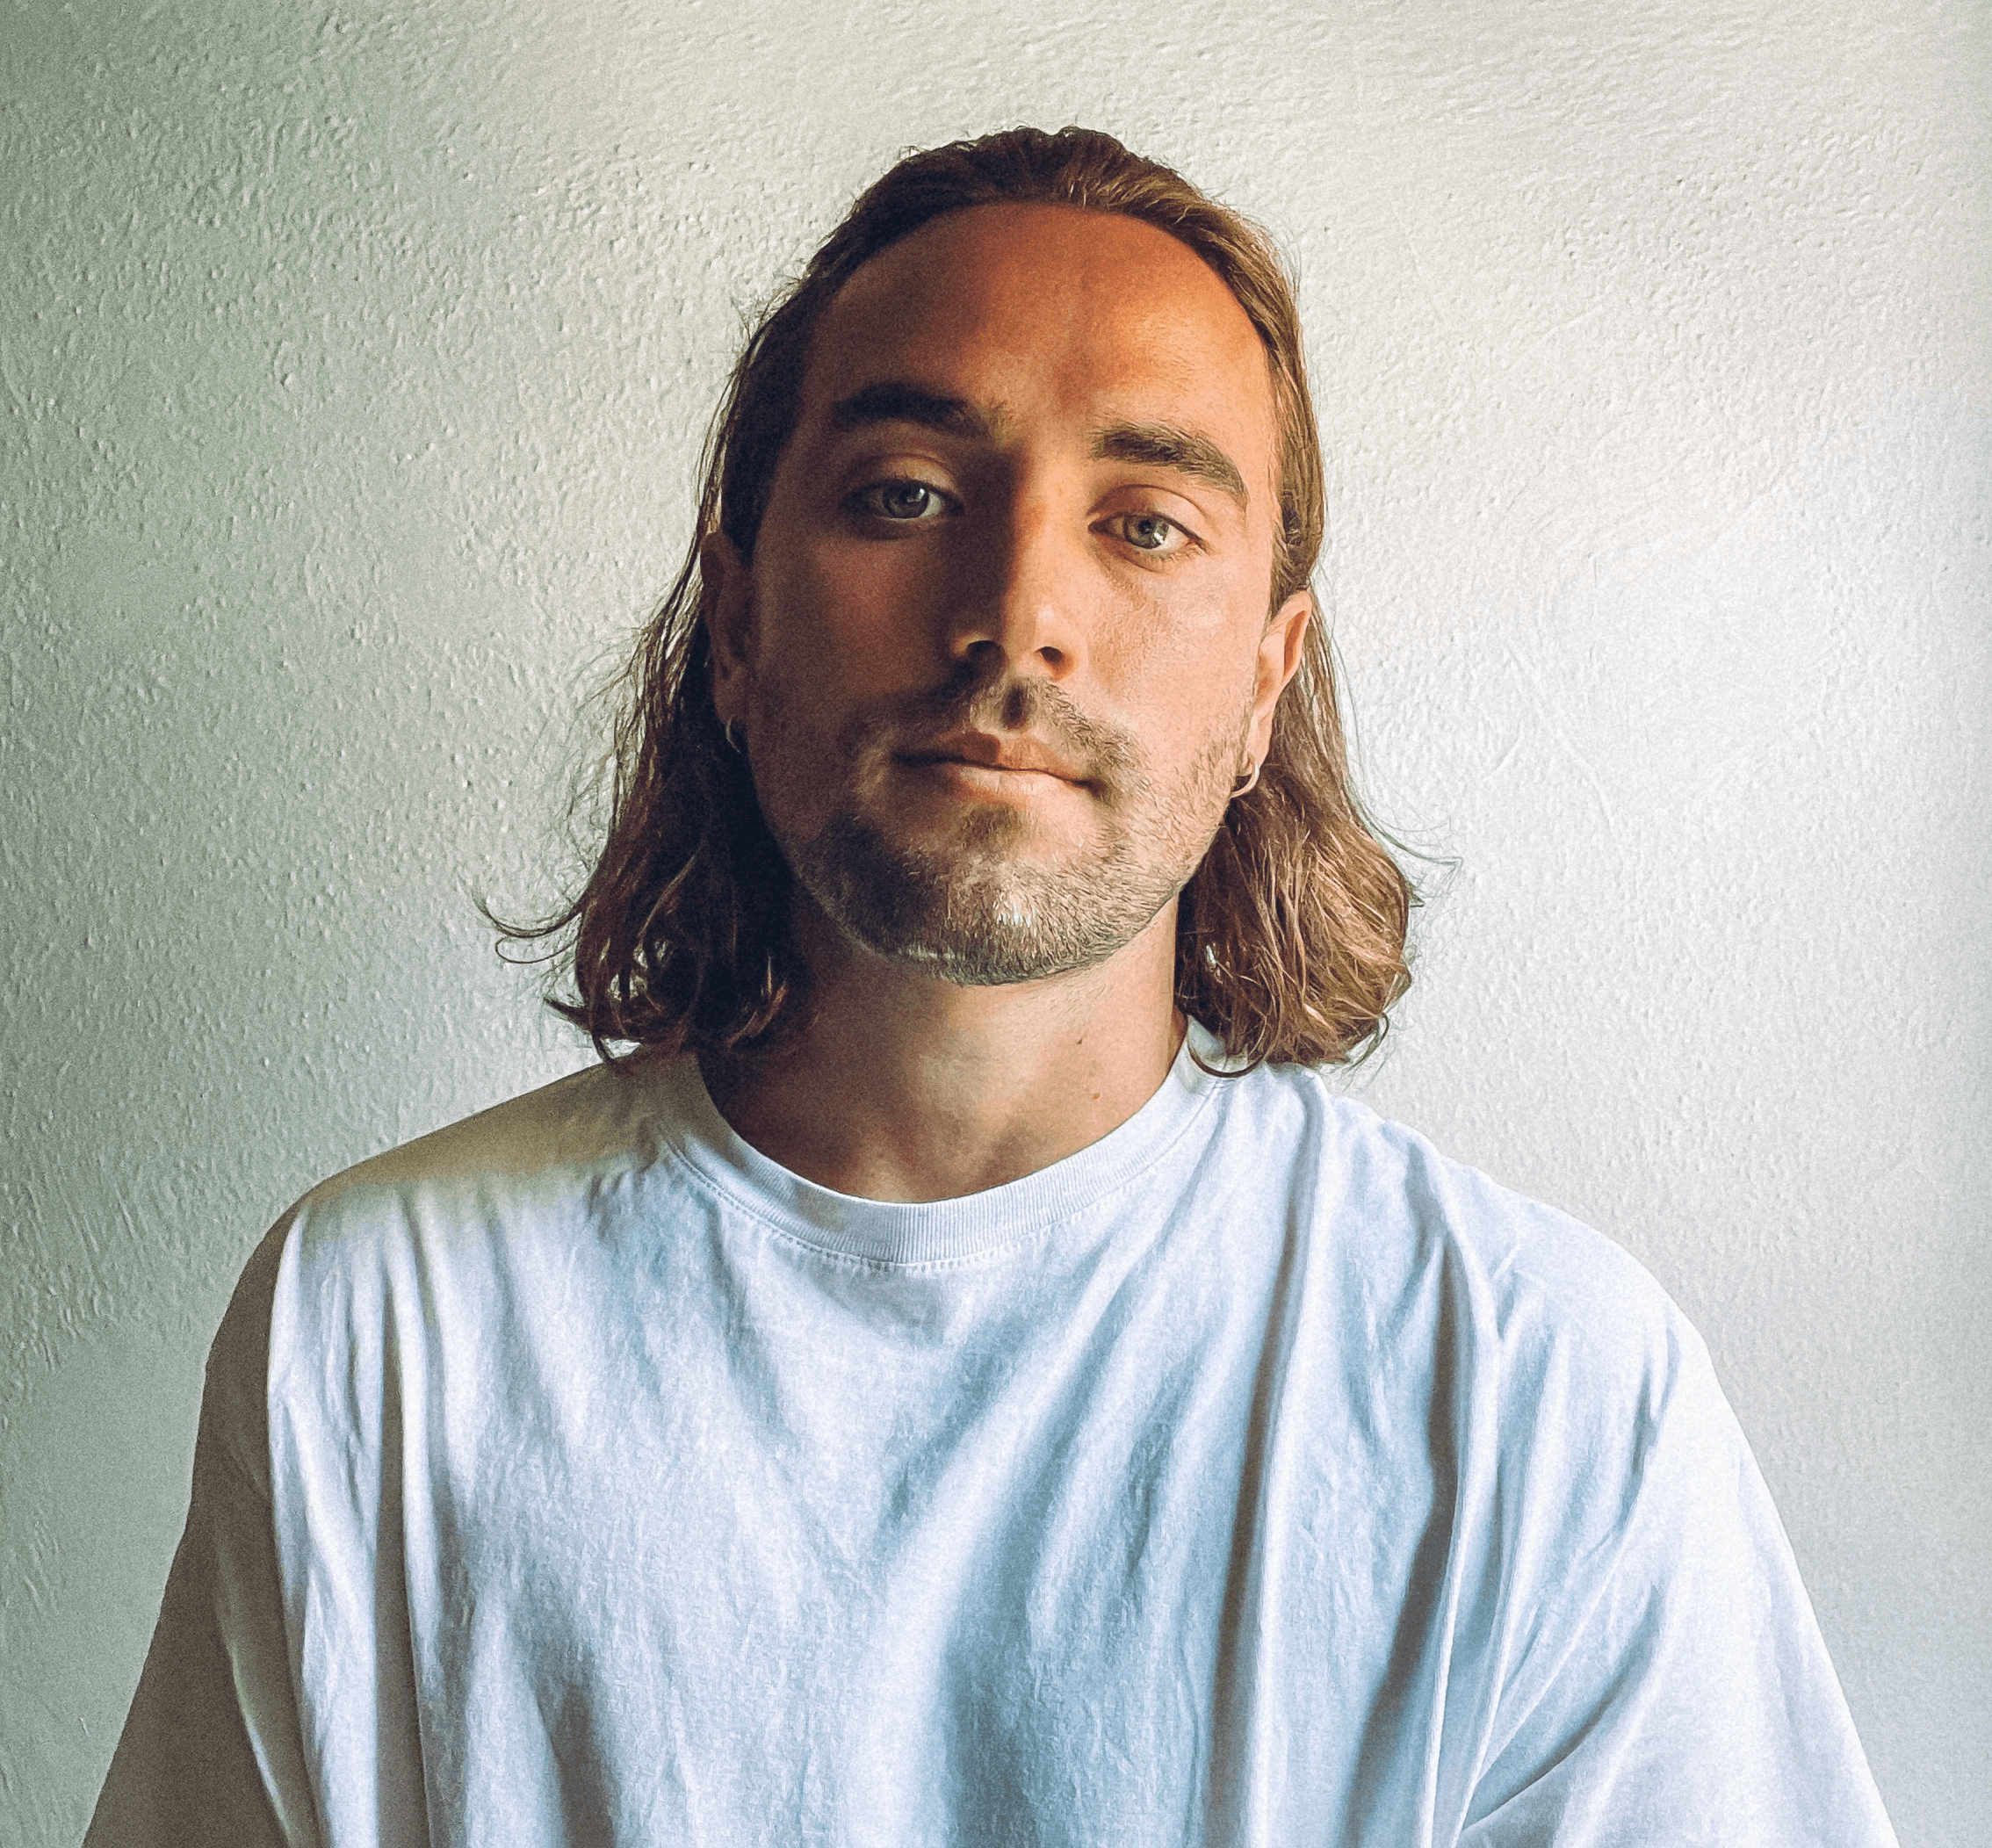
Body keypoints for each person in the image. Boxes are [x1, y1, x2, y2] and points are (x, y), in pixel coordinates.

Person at [90, 126, 1897, 1846]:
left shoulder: (1539, 1386)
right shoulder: (387, 1315)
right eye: (905, 494)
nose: (1016, 608)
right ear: (737, 620)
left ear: (1267, 681)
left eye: (1145, 523)